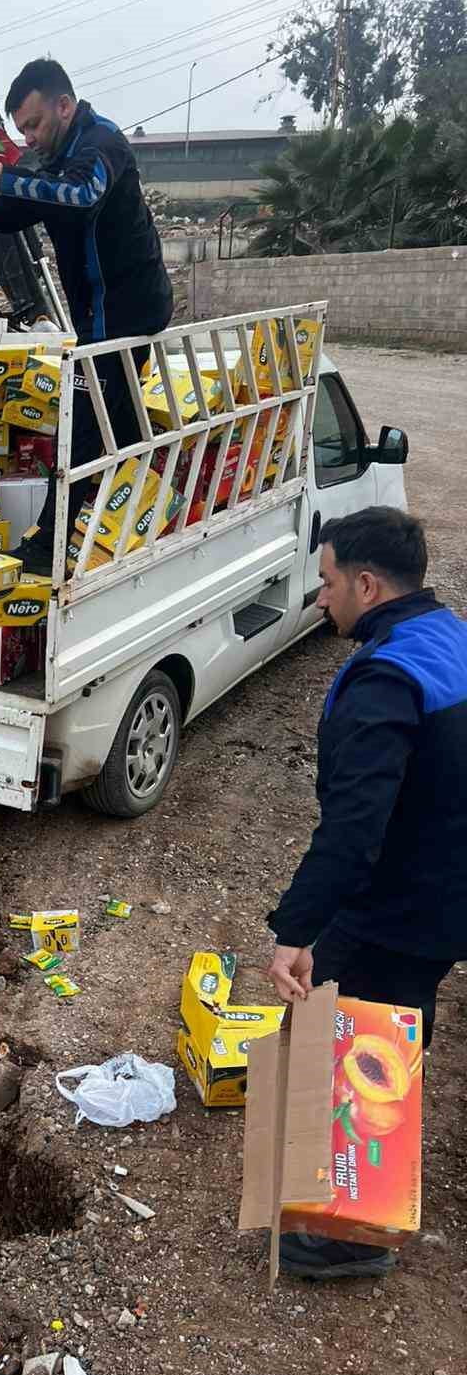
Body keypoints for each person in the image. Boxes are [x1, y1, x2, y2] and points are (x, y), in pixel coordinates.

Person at [265, 507, 467, 1280]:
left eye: (327, 583)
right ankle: (339, 1156)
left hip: (417, 898)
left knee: (374, 1033)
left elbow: (355, 830)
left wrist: (296, 927)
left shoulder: (385, 680)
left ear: (368, 583)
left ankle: (356, 1239)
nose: (320, 600)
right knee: (380, 1009)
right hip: (441, 872)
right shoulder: (443, 632)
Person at [0, 59, 173, 575]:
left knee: (81, 427)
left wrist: (4, 178)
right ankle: (122, 524)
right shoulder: (54, 157)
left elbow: (78, 197)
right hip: (97, 315)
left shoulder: (102, 144)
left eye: (33, 124)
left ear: (64, 106)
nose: (28, 137)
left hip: (127, 312)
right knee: (114, 424)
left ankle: (49, 545)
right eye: (21, 129)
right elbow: (21, 208)